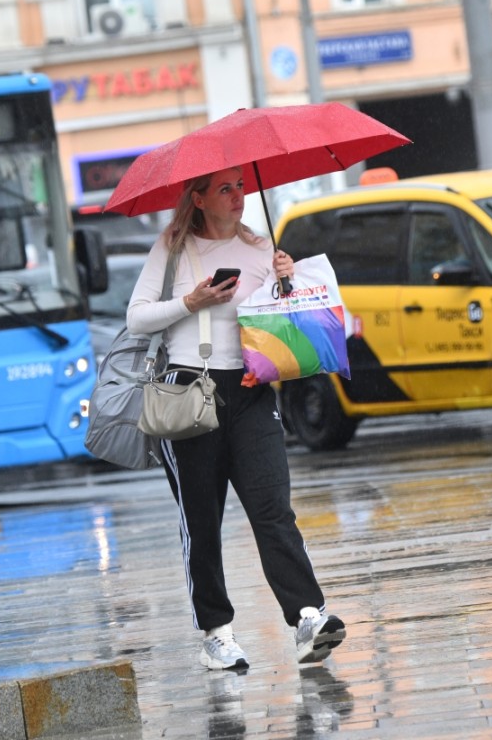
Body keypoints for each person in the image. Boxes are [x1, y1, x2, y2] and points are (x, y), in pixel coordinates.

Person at [126, 166, 346, 670]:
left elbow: (277, 322)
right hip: (189, 393)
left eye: (241, 186)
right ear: (198, 197)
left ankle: (308, 616)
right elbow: (136, 317)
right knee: (202, 522)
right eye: (225, 188)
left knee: (273, 510)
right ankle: (216, 633)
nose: (238, 196)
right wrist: (191, 301)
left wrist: (288, 283)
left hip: (251, 392)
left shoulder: (261, 246)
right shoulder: (173, 246)